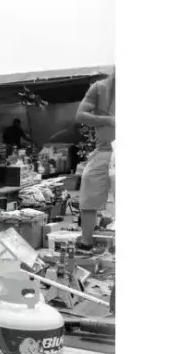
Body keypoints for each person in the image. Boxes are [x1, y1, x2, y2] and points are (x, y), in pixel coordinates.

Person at [73, 73, 115, 250]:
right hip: (104, 150)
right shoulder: (100, 88)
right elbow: (80, 115)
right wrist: (109, 120)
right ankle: (86, 240)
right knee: (89, 186)